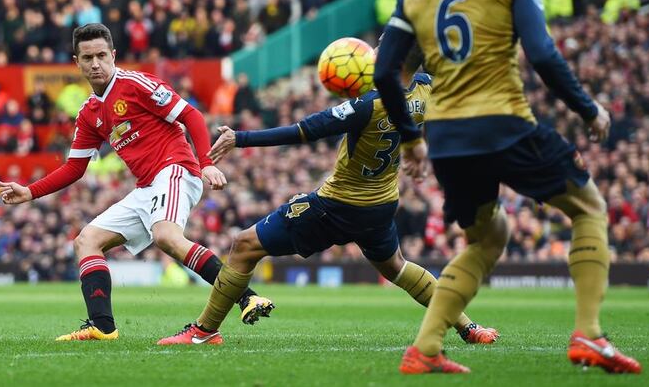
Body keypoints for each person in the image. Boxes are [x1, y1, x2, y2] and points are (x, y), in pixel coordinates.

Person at [372, 0, 641, 375]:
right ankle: (590, 334)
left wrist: (411, 140)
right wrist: (588, 108)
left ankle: (425, 349)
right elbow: (541, 54)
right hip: (504, 121)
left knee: (487, 239)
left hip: (447, 137)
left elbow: (386, 70)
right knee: (588, 208)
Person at [157, 45, 498, 346]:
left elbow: (303, 131)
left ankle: (203, 331)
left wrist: (240, 138)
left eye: (381, 47)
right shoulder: (423, 90)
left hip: (337, 206)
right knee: (397, 267)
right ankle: (470, 328)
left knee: (245, 246)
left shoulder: (369, 105)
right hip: (381, 206)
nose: (372, 51)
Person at [0, 24, 273, 342]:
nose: (96, 63)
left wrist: (206, 163)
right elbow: (75, 168)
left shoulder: (135, 84)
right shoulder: (89, 113)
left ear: (113, 55)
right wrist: (30, 191)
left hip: (175, 169)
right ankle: (102, 326)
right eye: (88, 58)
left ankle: (246, 296)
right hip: (146, 187)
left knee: (166, 236)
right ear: (77, 62)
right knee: (86, 241)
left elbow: (191, 116)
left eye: (102, 55)